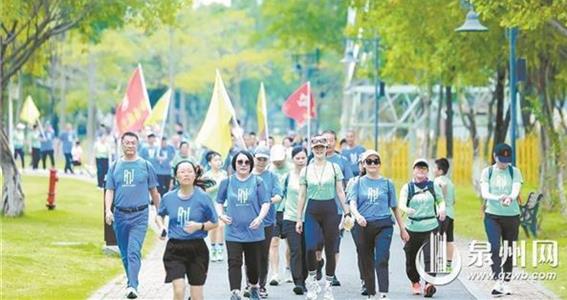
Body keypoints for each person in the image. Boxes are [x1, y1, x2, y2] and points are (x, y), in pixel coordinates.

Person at [104, 132, 161, 299]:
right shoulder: (115, 166)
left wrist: (160, 213)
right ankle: (131, 280)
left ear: (137, 145)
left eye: (133, 143)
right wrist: (108, 210)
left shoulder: (145, 165)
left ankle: (132, 285)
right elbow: (110, 190)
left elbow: (154, 191)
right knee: (124, 252)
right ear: (122, 144)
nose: (130, 146)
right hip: (120, 215)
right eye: (127, 143)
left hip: (140, 215)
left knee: (133, 251)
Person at [295, 135, 352, 300]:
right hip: (312, 210)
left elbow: (340, 191)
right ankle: (312, 282)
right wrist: (299, 219)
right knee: (311, 247)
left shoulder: (334, 168)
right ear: (312, 149)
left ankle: (328, 286)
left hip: (330, 210)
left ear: (326, 148)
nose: (319, 150)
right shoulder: (306, 170)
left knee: (331, 249)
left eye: (322, 147)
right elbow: (301, 196)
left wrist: (347, 211)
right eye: (316, 147)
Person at [348, 150, 409, 299]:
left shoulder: (388, 183)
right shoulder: (357, 182)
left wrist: (402, 229)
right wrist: (357, 216)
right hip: (363, 225)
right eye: (369, 161)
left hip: (384, 224)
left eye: (376, 161)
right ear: (363, 164)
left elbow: (394, 207)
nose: (373, 164)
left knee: (382, 258)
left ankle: (383, 293)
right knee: (366, 259)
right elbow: (352, 203)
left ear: (380, 164)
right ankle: (370, 293)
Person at [156, 160, 219, 300]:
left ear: (195, 175)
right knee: (179, 290)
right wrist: (161, 227)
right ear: (176, 176)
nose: (186, 174)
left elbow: (215, 222)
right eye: (182, 172)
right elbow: (159, 215)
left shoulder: (203, 197)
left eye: (189, 171)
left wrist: (199, 226)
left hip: (197, 249)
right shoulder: (168, 197)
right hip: (175, 249)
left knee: (197, 296)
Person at [216, 150, 271, 300]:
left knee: (253, 263)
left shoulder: (258, 182)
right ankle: (235, 292)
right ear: (234, 164)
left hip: (254, 230)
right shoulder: (227, 182)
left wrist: (259, 218)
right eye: (240, 162)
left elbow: (266, 202)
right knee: (234, 261)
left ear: (251, 164)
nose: (243, 165)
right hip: (233, 230)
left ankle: (254, 287)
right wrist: (221, 215)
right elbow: (218, 202)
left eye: (247, 162)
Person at [480, 143, 523, 296]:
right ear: (494, 156)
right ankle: (498, 281)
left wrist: (510, 198)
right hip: (492, 215)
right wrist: (499, 198)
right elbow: (485, 193)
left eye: (507, 160)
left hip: (512, 216)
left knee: (509, 249)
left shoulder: (514, 172)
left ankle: (506, 281)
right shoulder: (488, 172)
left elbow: (516, 189)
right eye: (501, 160)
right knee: (495, 247)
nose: (504, 163)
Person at [399, 159, 445, 298]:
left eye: (424, 169)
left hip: (431, 226)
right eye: (418, 168)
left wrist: (442, 210)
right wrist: (407, 209)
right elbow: (401, 204)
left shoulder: (433, 186)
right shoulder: (408, 187)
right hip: (412, 228)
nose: (421, 171)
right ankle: (415, 282)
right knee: (411, 258)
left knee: (430, 256)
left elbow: (440, 200)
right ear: (413, 170)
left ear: (427, 172)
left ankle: (429, 284)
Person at [320, 129, 354, 287]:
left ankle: (331, 273)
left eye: (331, 140)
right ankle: (319, 263)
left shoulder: (342, 161)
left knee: (334, 244)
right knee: (316, 243)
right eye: (324, 140)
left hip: (337, 210)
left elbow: (349, 184)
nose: (328, 143)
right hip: (317, 208)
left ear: (335, 141)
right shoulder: (314, 161)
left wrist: (348, 209)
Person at [251, 145, 283, 298]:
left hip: (268, 221)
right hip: (248, 221)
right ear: (253, 158)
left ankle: (261, 286)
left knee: (263, 255)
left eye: (264, 159)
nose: (261, 162)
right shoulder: (246, 174)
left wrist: (266, 201)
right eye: (259, 159)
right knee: (250, 254)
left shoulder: (272, 176)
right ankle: (251, 285)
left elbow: (278, 196)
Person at [282, 146, 309, 295]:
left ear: (307, 158)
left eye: (303, 158)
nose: (300, 161)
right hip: (291, 218)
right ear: (292, 159)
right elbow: (281, 196)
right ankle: (298, 282)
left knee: (308, 251)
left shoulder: (312, 175)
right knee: (296, 250)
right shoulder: (288, 176)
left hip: (309, 218)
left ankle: (306, 276)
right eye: (297, 158)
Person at [268, 144, 292, 286]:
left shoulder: (291, 169)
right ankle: (275, 273)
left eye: (280, 159)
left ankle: (288, 269)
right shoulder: (269, 170)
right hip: (273, 211)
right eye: (275, 160)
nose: (277, 162)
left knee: (289, 243)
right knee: (274, 242)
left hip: (289, 210)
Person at [203, 151, 228, 262]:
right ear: (209, 163)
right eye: (215, 160)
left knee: (221, 226)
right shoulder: (206, 176)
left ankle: (220, 249)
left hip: (223, 204)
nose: (218, 162)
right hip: (211, 204)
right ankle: (213, 248)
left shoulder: (224, 174)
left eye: (219, 160)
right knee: (213, 227)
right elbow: (206, 190)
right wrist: (218, 185)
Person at [434, 157, 456, 272]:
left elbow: (441, 192)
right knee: (449, 240)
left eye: (435, 168)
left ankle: (435, 262)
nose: (433, 170)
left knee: (436, 239)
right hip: (451, 214)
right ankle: (448, 265)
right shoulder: (451, 182)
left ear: (440, 170)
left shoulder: (438, 181)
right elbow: (453, 201)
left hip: (440, 214)